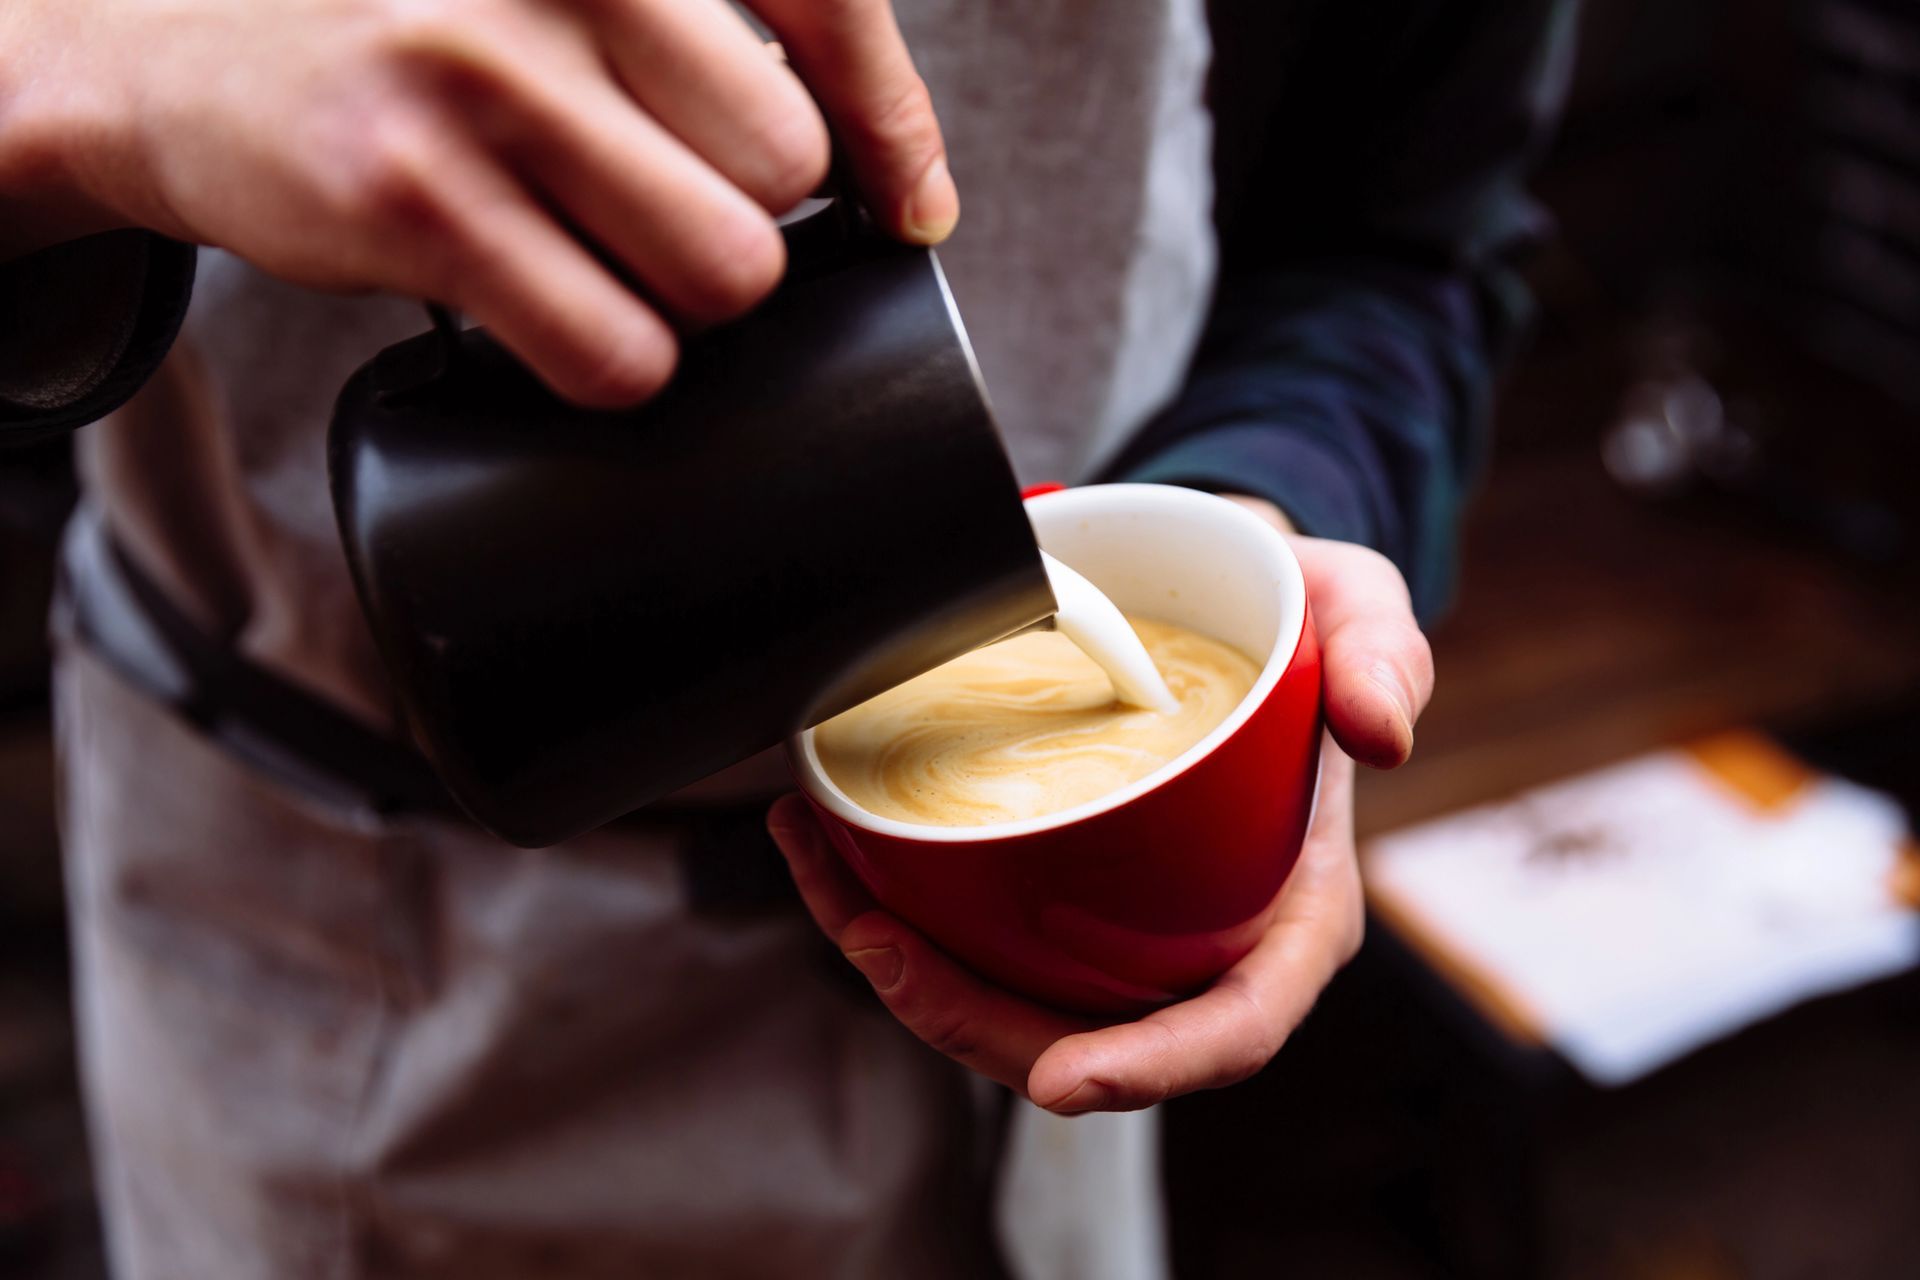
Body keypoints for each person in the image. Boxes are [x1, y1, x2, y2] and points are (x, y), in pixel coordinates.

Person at [0, 0, 1573, 1275]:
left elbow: (1395, 230)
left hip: (1040, 1006)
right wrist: (97, 68)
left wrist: (1255, 526)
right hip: (340, 962)